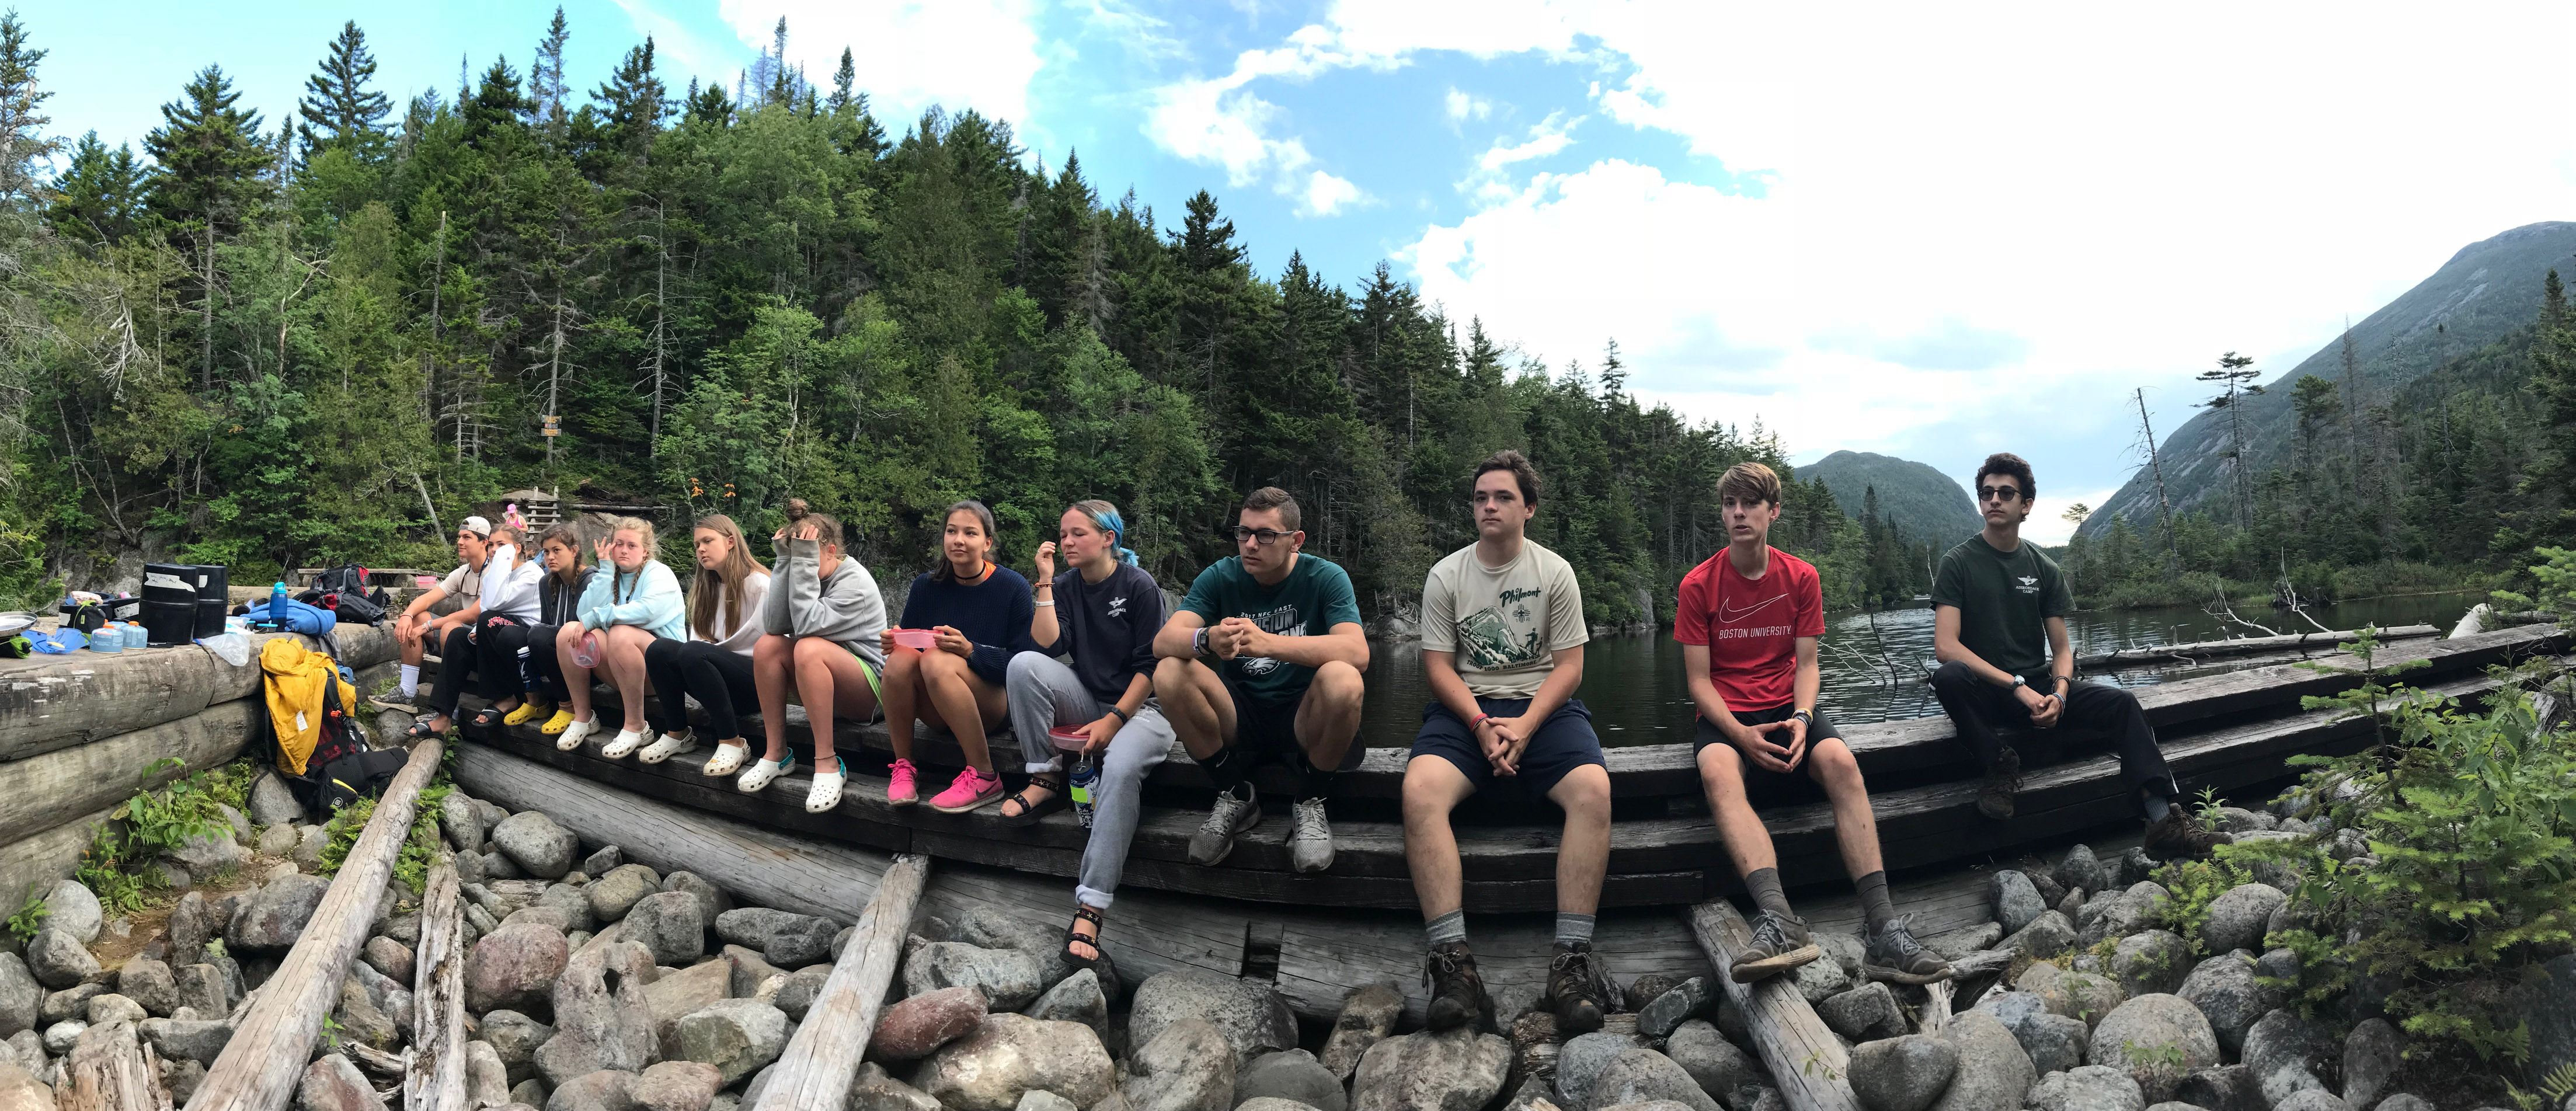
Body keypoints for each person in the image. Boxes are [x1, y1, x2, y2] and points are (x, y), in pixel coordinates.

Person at [1681, 462, 1953, 988]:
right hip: (1727, 715)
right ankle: (1780, 919)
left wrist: (1804, 718)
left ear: (1773, 512)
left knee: (1842, 763)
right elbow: (1698, 681)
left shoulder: (1801, 577)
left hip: (1789, 706)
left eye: (1750, 504)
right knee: (1717, 771)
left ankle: (1884, 929)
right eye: (1730, 504)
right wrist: (1738, 734)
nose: (1738, 513)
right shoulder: (1699, 584)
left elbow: (1807, 666)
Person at [1930, 452, 2230, 860]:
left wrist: (2060, 692)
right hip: (1985, 692)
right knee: (1948, 677)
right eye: (1987, 493)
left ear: (2026, 505)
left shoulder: (2043, 568)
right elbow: (1946, 647)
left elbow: (2062, 650)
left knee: (2122, 703)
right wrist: (2016, 686)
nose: (1994, 500)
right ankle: (2000, 764)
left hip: (2037, 689)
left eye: (2006, 493)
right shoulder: (1958, 562)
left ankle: (2164, 822)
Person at [1402, 451, 1611, 1035]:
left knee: (1593, 791)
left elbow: (1569, 668)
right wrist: (1479, 723)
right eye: (1480, 498)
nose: (1488, 506)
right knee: (1419, 791)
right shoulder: (1446, 575)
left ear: (1529, 508)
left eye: (1502, 497)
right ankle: (1454, 968)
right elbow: (1438, 667)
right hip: (1466, 708)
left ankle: (1570, 967)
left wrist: (1525, 725)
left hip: (1544, 707)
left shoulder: (1554, 572)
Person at [995, 500, 1176, 971]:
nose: (1068, 542)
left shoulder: (1138, 585)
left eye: (1078, 533)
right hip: (1091, 700)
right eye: (1063, 534)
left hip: (1145, 709)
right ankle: (1044, 776)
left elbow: (1153, 667)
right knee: (1023, 665)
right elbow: (1048, 646)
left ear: (1109, 538)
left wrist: (1115, 720)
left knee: (1119, 766)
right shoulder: (1066, 585)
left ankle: (1091, 906)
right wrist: (1044, 581)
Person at [1152, 486, 1366, 875]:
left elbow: (1358, 651)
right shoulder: (1221, 575)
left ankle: (1310, 799)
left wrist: (1269, 643)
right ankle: (1235, 793)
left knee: (1344, 678)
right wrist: (1207, 639)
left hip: (1303, 716)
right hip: (1241, 714)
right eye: (1244, 532)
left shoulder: (1325, 577)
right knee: (1169, 670)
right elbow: (1163, 641)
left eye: (1265, 535)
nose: (1250, 544)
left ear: (1295, 541)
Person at [881, 500, 1041, 813]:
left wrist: (970, 651)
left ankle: (985, 775)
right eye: (952, 531)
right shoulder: (926, 586)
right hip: (938, 706)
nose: (959, 540)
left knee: (936, 659)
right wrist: (897, 640)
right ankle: (904, 766)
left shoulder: (1012, 587)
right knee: (901, 658)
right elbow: (913, 649)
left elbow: (1023, 666)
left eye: (970, 533)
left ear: (987, 543)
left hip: (992, 705)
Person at [729, 499, 887, 812]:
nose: (804, 568)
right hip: (823, 683)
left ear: (832, 551)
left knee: (808, 646)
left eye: (808, 558)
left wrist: (800, 562)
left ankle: (827, 761)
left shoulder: (855, 583)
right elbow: (775, 624)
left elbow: (805, 625)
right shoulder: (801, 568)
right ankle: (776, 753)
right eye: (797, 559)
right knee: (768, 646)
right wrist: (784, 561)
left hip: (871, 692)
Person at [633, 516, 773, 764]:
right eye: (697, 545)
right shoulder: (706, 590)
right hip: (712, 683)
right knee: (659, 649)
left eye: (708, 541)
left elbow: (774, 651)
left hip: (756, 686)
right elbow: (698, 644)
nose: (701, 549)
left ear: (730, 542)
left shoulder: (759, 585)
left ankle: (732, 742)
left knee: (693, 652)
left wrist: (711, 654)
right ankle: (678, 733)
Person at [552, 517, 687, 755]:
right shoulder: (611, 575)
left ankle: (636, 725)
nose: (624, 550)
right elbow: (583, 614)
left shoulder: (659, 573)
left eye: (632, 545)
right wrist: (605, 570)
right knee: (568, 633)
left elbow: (648, 611)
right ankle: (583, 717)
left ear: (645, 551)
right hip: (622, 671)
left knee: (620, 632)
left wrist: (598, 617)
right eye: (619, 544)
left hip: (663, 675)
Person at [410, 525, 542, 739]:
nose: (495, 550)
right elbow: (488, 608)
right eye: (492, 545)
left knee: (488, 620)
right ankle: (444, 717)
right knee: (458, 637)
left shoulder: (531, 574)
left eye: (502, 545)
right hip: (496, 640)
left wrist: (501, 559)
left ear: (517, 548)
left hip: (523, 644)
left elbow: (496, 604)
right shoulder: (494, 576)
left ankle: (505, 697)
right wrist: (477, 630)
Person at [378, 517, 496, 712]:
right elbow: (427, 599)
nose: (460, 542)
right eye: (460, 537)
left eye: (467, 537)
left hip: (486, 644)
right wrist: (407, 615)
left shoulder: (495, 572)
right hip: (465, 639)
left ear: (484, 542)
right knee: (417, 617)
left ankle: (448, 710)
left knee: (450, 629)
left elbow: (473, 615)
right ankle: (407, 692)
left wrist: (429, 626)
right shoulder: (462, 573)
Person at [503, 524, 593, 730]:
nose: (550, 557)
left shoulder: (590, 581)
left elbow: (589, 631)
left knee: (539, 634)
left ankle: (568, 705)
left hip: (582, 660)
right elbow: (547, 624)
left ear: (574, 551)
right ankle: (535, 701)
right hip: (554, 655)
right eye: (546, 552)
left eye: (557, 550)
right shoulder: (546, 582)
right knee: (509, 635)